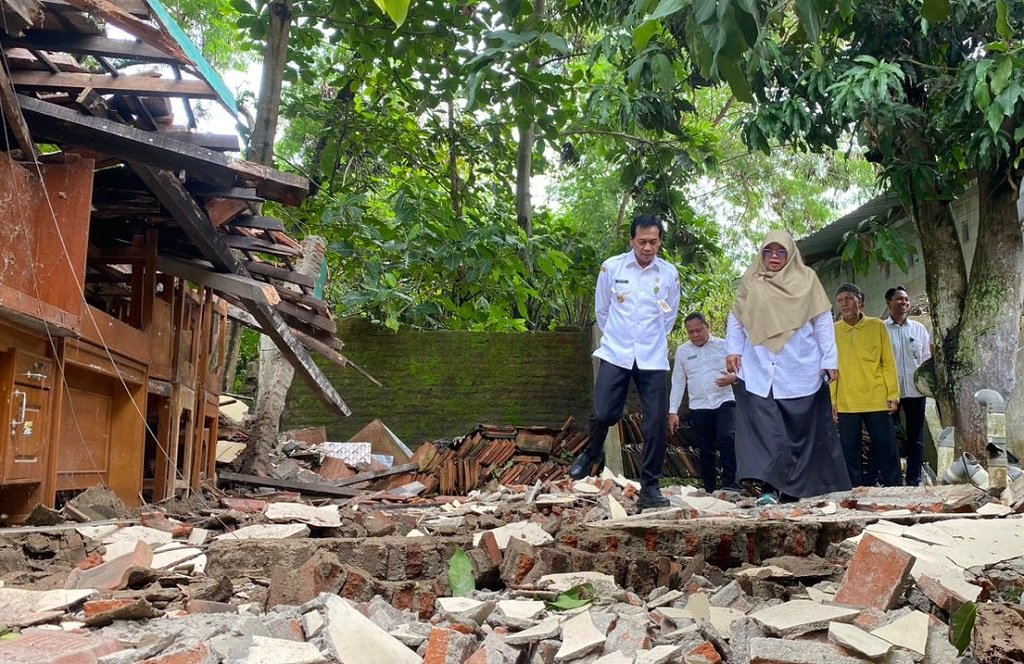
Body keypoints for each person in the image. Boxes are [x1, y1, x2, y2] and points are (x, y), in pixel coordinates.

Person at [725, 230, 851, 502]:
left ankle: (795, 491)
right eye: (768, 252)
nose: (774, 257)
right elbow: (736, 318)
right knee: (767, 433)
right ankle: (769, 488)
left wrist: (829, 360)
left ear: (791, 254)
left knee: (801, 434)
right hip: (759, 368)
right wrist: (733, 350)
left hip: (799, 366)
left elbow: (822, 322)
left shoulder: (807, 280)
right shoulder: (752, 281)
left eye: (781, 252)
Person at [570, 214, 680, 510]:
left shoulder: (669, 274)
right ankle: (592, 452)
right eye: (642, 241)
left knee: (655, 423)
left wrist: (650, 339)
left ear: (660, 242)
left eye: (653, 242)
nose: (647, 247)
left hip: (652, 356)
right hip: (617, 352)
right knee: (603, 412)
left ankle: (651, 487)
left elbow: (669, 315)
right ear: (632, 240)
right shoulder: (612, 267)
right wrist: (620, 338)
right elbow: (602, 310)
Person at [831, 283, 902, 486]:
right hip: (847, 400)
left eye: (849, 298)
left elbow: (887, 361)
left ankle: (895, 489)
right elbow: (831, 368)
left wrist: (893, 394)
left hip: (877, 397)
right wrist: (833, 400)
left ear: (861, 302)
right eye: (840, 300)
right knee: (849, 451)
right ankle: (852, 491)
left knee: (886, 448)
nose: (844, 304)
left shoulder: (877, 326)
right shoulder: (833, 331)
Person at [668, 312, 738, 493]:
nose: (695, 335)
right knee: (705, 448)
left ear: (707, 327)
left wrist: (734, 378)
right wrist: (673, 411)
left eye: (698, 330)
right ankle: (709, 489)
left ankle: (731, 485)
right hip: (698, 405)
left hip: (723, 400)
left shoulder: (724, 346)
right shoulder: (683, 351)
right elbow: (678, 382)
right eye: (691, 332)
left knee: (727, 438)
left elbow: (742, 369)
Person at [883, 285, 931, 486]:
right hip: (890, 392)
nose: (904, 302)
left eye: (906, 299)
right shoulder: (881, 329)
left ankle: (914, 480)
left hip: (915, 390)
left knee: (916, 438)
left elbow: (926, 358)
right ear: (889, 303)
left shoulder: (918, 329)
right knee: (888, 437)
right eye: (899, 299)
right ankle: (891, 480)